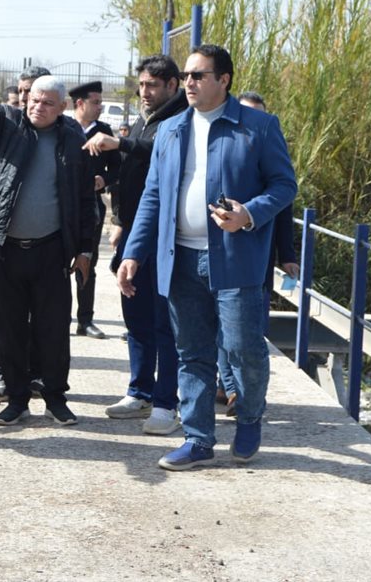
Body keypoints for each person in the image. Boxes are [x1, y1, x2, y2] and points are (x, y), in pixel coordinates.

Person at [118, 44, 296, 470]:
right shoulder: (171, 129)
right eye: (187, 76)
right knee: (191, 352)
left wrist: (248, 213)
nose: (189, 83)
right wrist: (134, 252)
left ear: (224, 80)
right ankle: (198, 439)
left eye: (198, 75)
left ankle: (249, 417)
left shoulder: (259, 127)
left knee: (243, 349)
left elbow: (284, 185)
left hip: (236, 260)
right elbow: (153, 196)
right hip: (180, 258)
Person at [0, 56, 95, 426]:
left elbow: (85, 200)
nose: (38, 107)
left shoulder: (72, 140)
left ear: (62, 107)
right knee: (9, 327)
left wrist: (84, 249)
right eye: (33, 100)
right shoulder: (7, 127)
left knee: (53, 329)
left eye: (48, 103)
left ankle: (55, 397)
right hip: (6, 249)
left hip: (52, 250)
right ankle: (16, 398)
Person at [84, 55, 187, 435]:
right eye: (141, 84)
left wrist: (121, 143)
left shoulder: (182, 118)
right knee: (136, 314)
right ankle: (140, 390)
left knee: (165, 321)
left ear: (172, 85)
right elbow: (132, 174)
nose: (145, 92)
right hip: (135, 234)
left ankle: (166, 402)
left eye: (152, 85)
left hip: (166, 237)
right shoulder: (148, 118)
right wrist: (120, 221)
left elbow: (161, 158)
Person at [0, 65, 52, 403]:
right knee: (1, 311)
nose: (24, 97)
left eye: (30, 91)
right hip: (3, 238)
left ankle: (34, 373)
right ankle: (1, 372)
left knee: (41, 313)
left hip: (44, 244)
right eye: (21, 90)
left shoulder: (60, 134)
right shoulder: (0, 127)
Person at [217, 90, 300, 415]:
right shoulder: (222, 152)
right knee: (222, 326)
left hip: (258, 256)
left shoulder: (270, 156)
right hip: (220, 252)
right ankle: (231, 388)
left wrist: (288, 255)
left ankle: (235, 388)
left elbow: (284, 211)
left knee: (246, 330)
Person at [67, 80, 120, 340]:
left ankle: (85, 320)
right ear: (80, 103)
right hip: (63, 207)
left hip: (91, 208)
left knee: (87, 261)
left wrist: (104, 180)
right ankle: (56, 315)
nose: (100, 107)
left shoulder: (104, 131)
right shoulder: (64, 127)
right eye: (96, 102)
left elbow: (118, 168)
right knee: (55, 262)